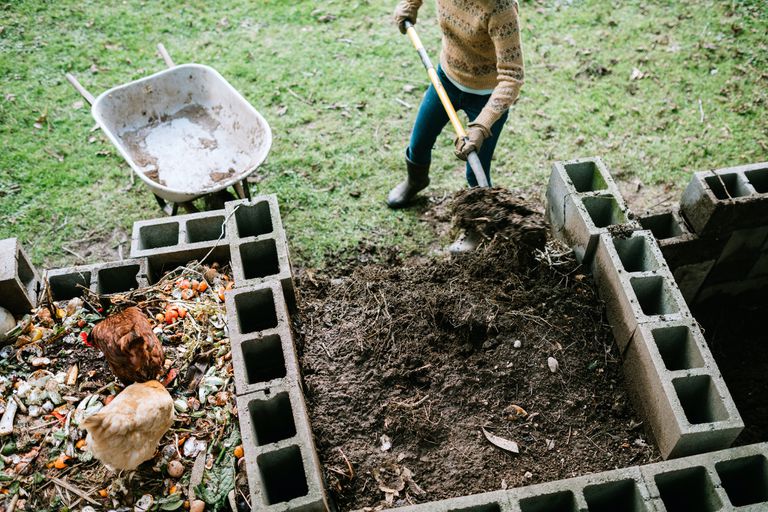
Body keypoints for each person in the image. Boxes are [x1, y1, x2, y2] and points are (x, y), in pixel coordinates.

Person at [387, 0, 525, 250]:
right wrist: (410, 4)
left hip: (486, 96)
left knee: (476, 171)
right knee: (419, 142)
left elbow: (512, 76)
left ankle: (476, 227)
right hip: (446, 79)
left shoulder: (500, 9)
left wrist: (482, 126)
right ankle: (416, 182)